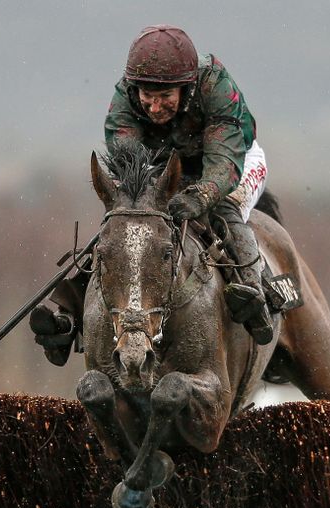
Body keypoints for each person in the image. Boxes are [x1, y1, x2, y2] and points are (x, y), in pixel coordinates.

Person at [30, 24, 274, 366]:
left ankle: (256, 298)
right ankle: (69, 318)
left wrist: (201, 196)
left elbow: (223, 164)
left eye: (165, 98)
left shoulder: (216, 86)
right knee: (127, 226)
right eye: (148, 97)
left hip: (231, 160)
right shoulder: (124, 99)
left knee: (225, 211)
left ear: (186, 88)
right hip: (163, 165)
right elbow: (129, 164)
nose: (155, 107)